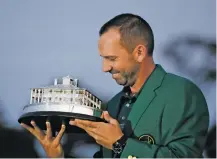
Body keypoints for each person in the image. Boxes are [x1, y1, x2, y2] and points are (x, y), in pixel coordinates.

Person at [21, 13, 209, 158]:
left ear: (140, 53)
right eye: (103, 59)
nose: (105, 68)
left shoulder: (183, 93)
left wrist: (121, 144)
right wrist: (58, 156)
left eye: (111, 58)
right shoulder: (113, 104)